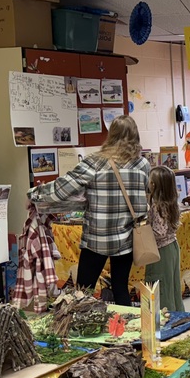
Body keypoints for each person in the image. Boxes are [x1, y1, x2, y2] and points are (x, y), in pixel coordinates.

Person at [28, 116, 151, 306]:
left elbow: (62, 188)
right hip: (127, 238)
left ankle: (80, 329)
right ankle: (126, 331)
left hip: (97, 239)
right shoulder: (143, 164)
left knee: (83, 292)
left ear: (112, 135)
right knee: (121, 288)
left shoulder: (95, 162)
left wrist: (34, 194)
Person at [145, 166, 183, 314]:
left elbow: (159, 232)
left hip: (160, 251)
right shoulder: (171, 201)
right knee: (172, 286)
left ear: (154, 184)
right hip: (172, 247)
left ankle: (164, 320)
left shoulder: (157, 205)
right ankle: (176, 316)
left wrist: (141, 229)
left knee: (161, 288)